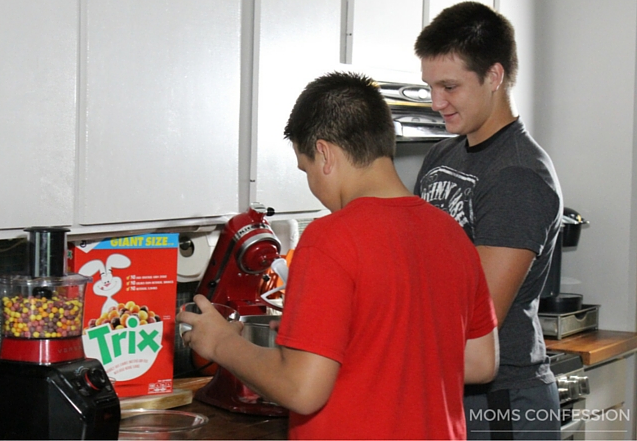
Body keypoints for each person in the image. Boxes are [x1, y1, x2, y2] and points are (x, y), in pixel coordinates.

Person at [178, 71, 499, 440]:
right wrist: (341, 339)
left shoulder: (331, 237)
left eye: (307, 169)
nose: (312, 184)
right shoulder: (452, 235)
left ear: (325, 154)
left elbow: (301, 389)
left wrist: (221, 342)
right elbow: (479, 362)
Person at [413, 1, 563, 440]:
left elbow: (478, 315)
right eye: (430, 87)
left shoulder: (518, 175)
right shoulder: (443, 153)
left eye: (449, 86)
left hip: (503, 403)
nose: (436, 102)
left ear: (494, 77)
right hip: (450, 388)